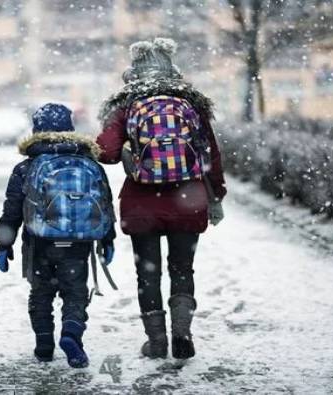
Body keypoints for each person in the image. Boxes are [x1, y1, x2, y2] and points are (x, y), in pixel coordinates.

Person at [96, 38, 227, 360]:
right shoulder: (191, 104)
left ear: (133, 73)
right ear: (173, 70)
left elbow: (106, 152)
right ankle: (182, 333)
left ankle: (156, 341)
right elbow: (210, 155)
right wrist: (216, 195)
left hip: (142, 203)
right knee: (182, 268)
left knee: (148, 272)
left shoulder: (126, 105)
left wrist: (128, 152)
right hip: (188, 198)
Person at [0, 103, 116, 368]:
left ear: (37, 129)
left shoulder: (26, 167)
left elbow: (12, 209)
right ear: (70, 129)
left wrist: (4, 244)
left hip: (39, 243)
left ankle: (44, 345)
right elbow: (105, 203)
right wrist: (108, 238)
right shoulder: (88, 161)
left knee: (41, 294)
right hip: (78, 243)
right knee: (74, 293)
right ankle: (71, 335)